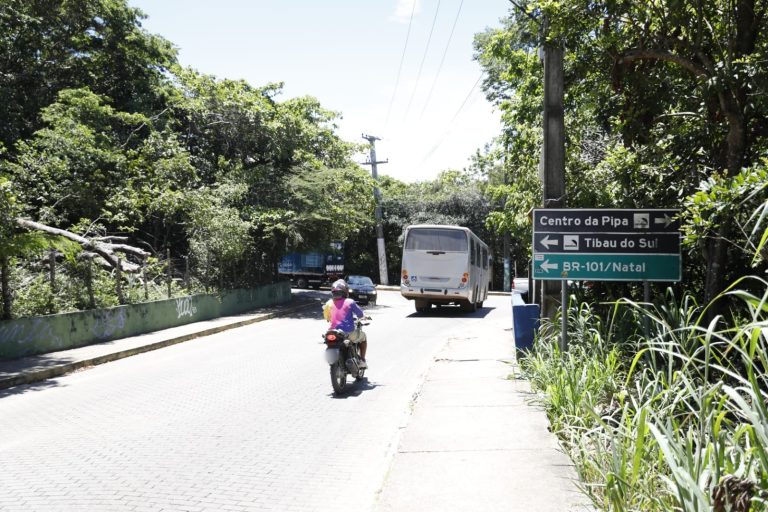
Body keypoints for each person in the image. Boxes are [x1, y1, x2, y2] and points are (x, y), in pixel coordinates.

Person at [323, 279, 368, 368]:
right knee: (363, 337)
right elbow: (360, 314)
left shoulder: (328, 303)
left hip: (332, 332)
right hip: (348, 333)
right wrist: (364, 317)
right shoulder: (350, 302)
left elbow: (327, 318)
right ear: (345, 291)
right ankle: (362, 360)